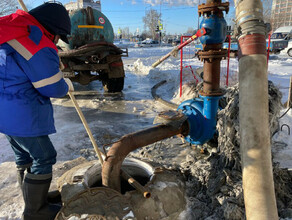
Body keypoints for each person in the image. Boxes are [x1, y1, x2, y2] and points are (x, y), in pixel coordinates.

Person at [0, 2, 74, 220]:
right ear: (51, 29)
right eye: (59, 35)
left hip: (6, 112)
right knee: (44, 156)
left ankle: (32, 199)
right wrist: (65, 85)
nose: (58, 41)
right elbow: (50, 86)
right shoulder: (36, 42)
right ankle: (35, 211)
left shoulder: (14, 32)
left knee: (24, 154)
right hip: (21, 113)